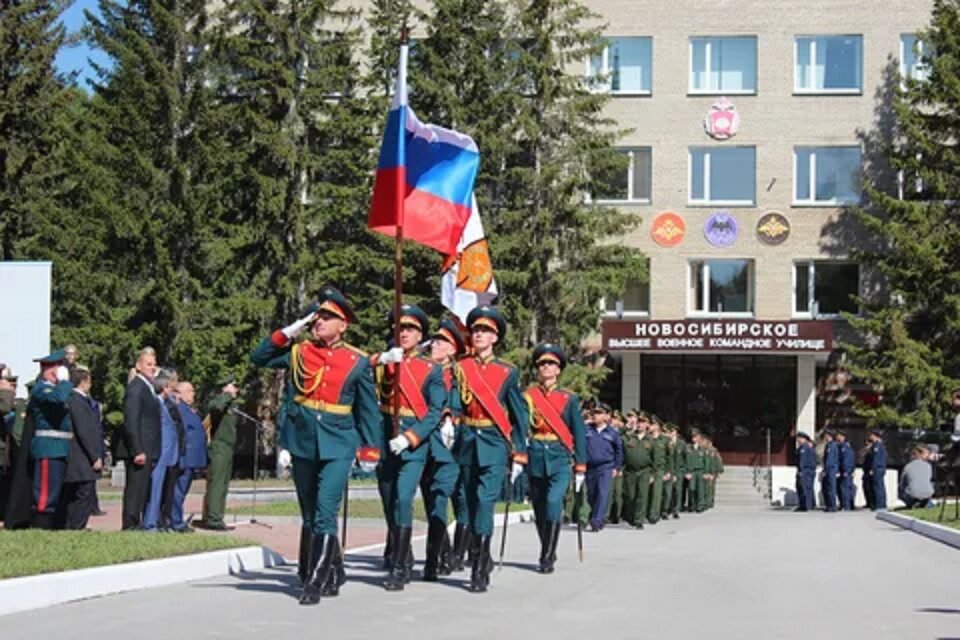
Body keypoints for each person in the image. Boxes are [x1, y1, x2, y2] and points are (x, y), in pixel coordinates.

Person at [250, 287, 380, 605]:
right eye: (317, 316)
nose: (319, 321)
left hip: (338, 443)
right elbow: (259, 357)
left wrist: (370, 448)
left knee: (325, 512)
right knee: (309, 513)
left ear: (343, 324)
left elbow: (367, 409)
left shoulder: (358, 361)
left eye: (327, 316)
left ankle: (315, 579)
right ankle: (334, 568)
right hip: (302, 440)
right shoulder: (299, 352)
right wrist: (291, 329)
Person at [454, 305, 528, 593]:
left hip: (494, 442)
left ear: (495, 338)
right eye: (475, 330)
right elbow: (455, 399)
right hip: (467, 440)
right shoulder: (462, 368)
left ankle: (480, 563)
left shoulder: (507, 371)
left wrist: (519, 450)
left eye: (485, 331)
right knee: (470, 502)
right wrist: (450, 417)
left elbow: (518, 414)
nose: (479, 335)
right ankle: (480, 556)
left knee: (485, 500)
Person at [373, 304, 445, 591]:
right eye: (400, 328)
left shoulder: (432, 370)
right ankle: (402, 551)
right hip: (384, 439)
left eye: (411, 329)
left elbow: (434, 412)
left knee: (404, 498)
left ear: (421, 336)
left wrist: (410, 437)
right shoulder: (383, 362)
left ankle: (401, 568)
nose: (404, 333)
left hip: (414, 445)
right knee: (389, 501)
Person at [524, 343, 587, 574]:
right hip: (536, 455)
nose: (546, 367)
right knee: (539, 507)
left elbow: (578, 433)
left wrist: (580, 466)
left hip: (559, 457)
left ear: (558, 369)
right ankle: (547, 546)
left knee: (553, 503)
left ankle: (547, 555)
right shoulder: (529, 396)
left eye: (550, 364)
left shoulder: (568, 398)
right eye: (542, 364)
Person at [419, 318, 465, 581]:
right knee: (429, 499)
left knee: (441, 496)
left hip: (450, 445)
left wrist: (451, 415)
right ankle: (444, 553)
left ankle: (435, 560)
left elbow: (461, 404)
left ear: (452, 349)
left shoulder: (458, 376)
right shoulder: (423, 370)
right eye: (434, 340)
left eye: (442, 341)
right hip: (424, 441)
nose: (435, 344)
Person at [27, 350, 74, 529]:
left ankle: (52, 525)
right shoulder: (41, 388)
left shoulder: (55, 388)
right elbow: (58, 398)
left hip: (60, 447)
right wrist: (63, 382)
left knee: (56, 491)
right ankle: (40, 525)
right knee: (45, 493)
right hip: (47, 447)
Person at [119, 347, 160, 530]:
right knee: (135, 490)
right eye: (148, 364)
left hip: (149, 447)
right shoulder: (136, 387)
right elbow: (131, 420)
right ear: (138, 366)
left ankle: (138, 523)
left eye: (154, 364)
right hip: (140, 449)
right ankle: (130, 524)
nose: (152, 367)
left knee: (142, 489)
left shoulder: (148, 387)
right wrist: (137, 449)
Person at [61, 367, 102, 530]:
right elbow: (84, 430)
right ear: (84, 382)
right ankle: (76, 526)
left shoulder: (77, 400)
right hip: (81, 456)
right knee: (83, 493)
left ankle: (74, 525)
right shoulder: (77, 401)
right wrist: (95, 456)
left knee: (77, 493)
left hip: (81, 455)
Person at [144, 368, 182, 531]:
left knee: (162, 490)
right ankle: (150, 522)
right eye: (169, 387)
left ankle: (158, 521)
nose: (171, 390)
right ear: (163, 387)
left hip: (169, 453)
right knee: (155, 489)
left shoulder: (168, 403)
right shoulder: (155, 403)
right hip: (160, 451)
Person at [201, 377, 239, 531]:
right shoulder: (218, 401)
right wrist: (227, 395)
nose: (237, 390)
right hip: (219, 447)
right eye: (234, 386)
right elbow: (216, 408)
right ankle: (213, 519)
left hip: (228, 447)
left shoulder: (228, 404)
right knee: (217, 484)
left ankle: (217, 516)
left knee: (223, 485)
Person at [172, 381, 207, 532]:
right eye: (190, 391)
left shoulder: (189, 410)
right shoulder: (180, 410)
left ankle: (176, 519)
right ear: (180, 393)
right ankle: (176, 521)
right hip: (185, 457)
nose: (193, 393)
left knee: (182, 491)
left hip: (191, 458)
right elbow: (182, 434)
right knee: (178, 491)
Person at [585, 403, 622, 532]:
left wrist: (616, 467)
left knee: (602, 493)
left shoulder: (612, 432)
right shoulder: (587, 429)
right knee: (591, 494)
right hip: (589, 467)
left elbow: (618, 451)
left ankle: (597, 520)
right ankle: (596, 516)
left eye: (599, 413)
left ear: (606, 416)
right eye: (594, 412)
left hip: (605, 467)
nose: (595, 415)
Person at [621, 411, 652, 530]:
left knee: (642, 495)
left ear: (647, 425)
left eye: (643, 423)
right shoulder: (629, 437)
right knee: (630, 495)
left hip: (644, 470)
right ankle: (631, 516)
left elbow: (654, 457)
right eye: (639, 422)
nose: (640, 425)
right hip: (630, 471)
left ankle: (639, 520)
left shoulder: (650, 440)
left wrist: (653, 473)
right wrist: (627, 427)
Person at [864, 429, 887, 510]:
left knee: (878, 487)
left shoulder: (878, 445)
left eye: (871, 435)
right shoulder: (875, 445)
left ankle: (880, 505)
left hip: (878, 469)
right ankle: (877, 504)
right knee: (876, 487)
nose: (870, 437)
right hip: (877, 468)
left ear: (875, 435)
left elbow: (876, 459)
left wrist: (873, 468)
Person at [684, 430, 706, 512]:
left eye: (696, 437)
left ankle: (700, 506)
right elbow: (685, 460)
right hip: (691, 471)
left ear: (699, 438)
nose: (694, 439)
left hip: (700, 471)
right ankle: (692, 505)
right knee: (691, 489)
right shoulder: (688, 448)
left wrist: (706, 472)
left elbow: (705, 461)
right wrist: (686, 472)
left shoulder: (703, 449)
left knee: (700, 489)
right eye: (693, 437)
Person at [795, 432, 816, 512]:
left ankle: (807, 505)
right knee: (801, 488)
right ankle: (803, 505)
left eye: (799, 438)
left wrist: (801, 470)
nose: (797, 440)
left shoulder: (805, 448)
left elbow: (802, 461)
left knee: (806, 488)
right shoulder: (802, 448)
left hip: (806, 471)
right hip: (804, 470)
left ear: (803, 439)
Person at [836, 430, 856, 510]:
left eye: (839, 436)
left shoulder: (845, 448)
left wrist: (846, 471)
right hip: (843, 471)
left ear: (843, 437)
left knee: (845, 489)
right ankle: (844, 505)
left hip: (845, 472)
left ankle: (846, 506)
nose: (837, 437)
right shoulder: (840, 446)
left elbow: (847, 461)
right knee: (842, 489)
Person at [821, 430, 839, 512]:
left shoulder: (832, 446)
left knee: (831, 488)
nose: (825, 437)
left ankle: (832, 506)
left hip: (831, 469)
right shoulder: (828, 445)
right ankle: (829, 505)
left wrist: (826, 470)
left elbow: (830, 460)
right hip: (828, 469)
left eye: (826, 436)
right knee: (828, 488)